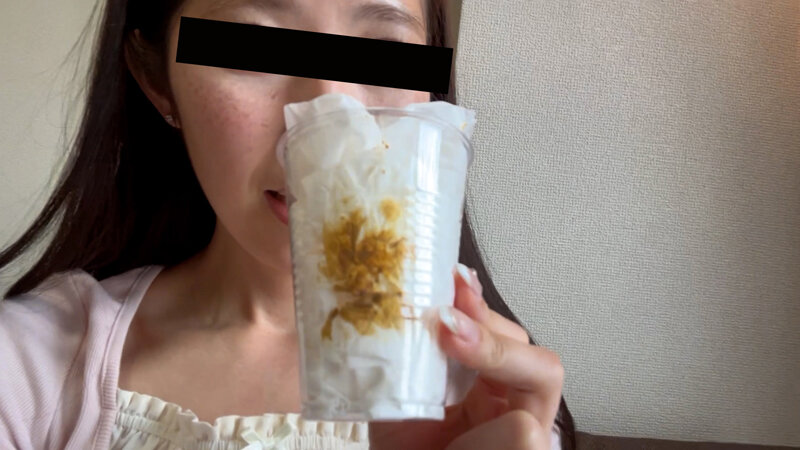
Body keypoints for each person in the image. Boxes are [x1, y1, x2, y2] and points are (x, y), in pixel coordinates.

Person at [0, 0, 577, 448]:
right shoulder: (28, 372)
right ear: (157, 81)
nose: (332, 118)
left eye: (382, 50)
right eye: (254, 46)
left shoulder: (494, 408)